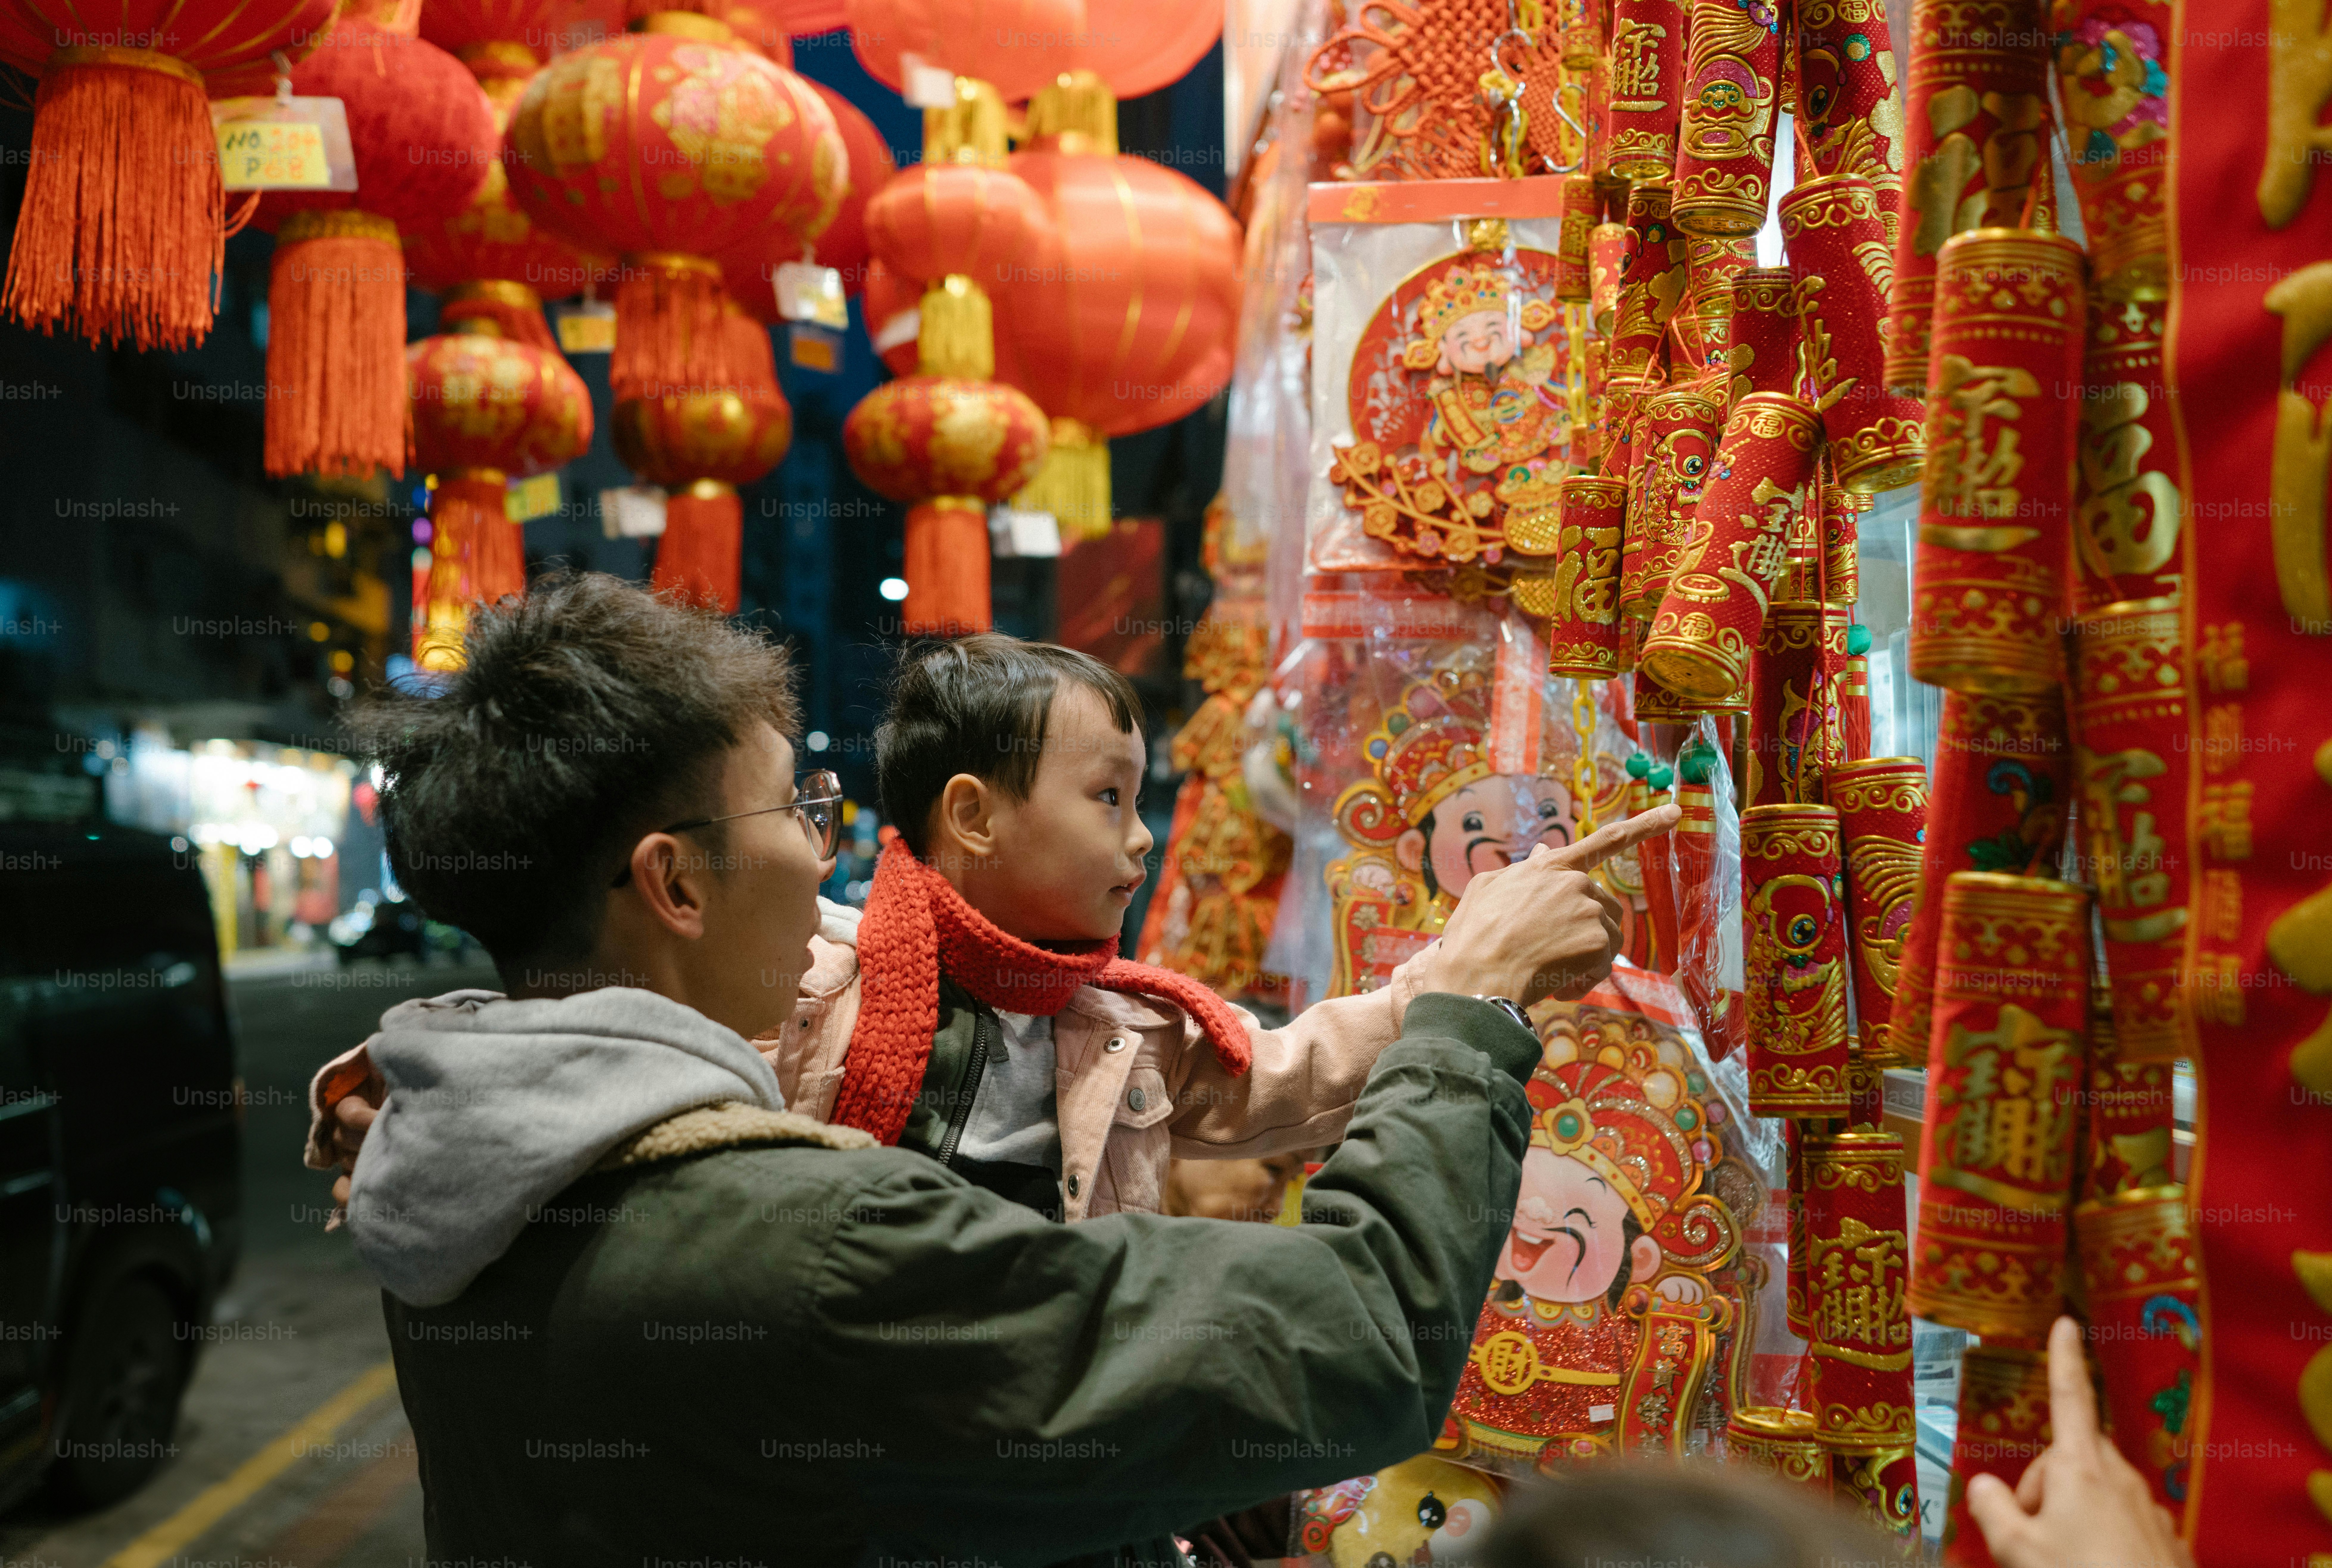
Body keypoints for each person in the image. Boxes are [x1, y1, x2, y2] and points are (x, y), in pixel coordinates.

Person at [326, 574, 1677, 1566]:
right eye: (799, 807)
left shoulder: (451, 1163)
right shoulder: (822, 1243)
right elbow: (1358, 1340)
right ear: (673, 885)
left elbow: (1269, 1075)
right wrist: (1469, 1007)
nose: (825, 852)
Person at [314, 631, 1658, 1225]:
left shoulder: (1130, 1027)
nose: (1140, 839)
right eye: (1108, 799)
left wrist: (1468, 965)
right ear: (970, 814)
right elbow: (563, 1042)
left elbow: (1297, 1069)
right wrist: (397, 1106)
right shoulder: (797, 974)